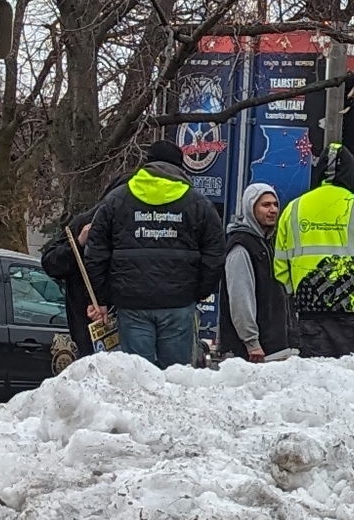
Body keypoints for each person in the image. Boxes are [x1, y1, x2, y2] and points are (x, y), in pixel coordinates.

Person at [77, 135, 224, 367]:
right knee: (175, 378)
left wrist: (101, 298)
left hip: (132, 304)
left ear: (147, 163)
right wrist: (196, 292)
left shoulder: (116, 200)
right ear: (180, 166)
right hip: (178, 304)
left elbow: (96, 253)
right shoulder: (199, 204)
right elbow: (215, 254)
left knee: (138, 378)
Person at [273, 157, 354, 352]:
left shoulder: (293, 208)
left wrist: (292, 291)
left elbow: (280, 262)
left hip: (309, 311)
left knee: (315, 376)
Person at [218, 183, 296, 364]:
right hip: (252, 352)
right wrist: (251, 342)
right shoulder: (241, 247)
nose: (273, 210)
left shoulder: (266, 243)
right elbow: (240, 299)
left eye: (275, 204)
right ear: (250, 208)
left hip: (271, 347)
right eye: (265, 205)